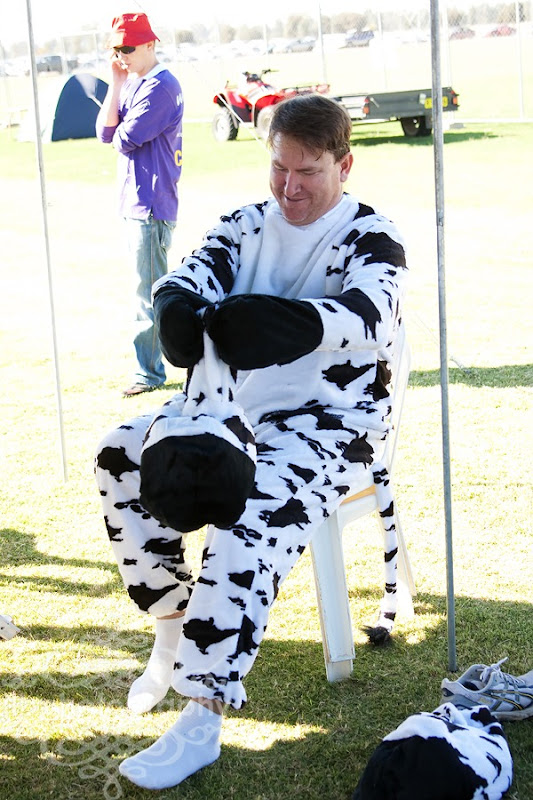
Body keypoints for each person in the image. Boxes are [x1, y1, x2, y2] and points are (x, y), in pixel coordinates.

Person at [95, 93, 408, 790]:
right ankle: (173, 625)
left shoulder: (372, 235)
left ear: (344, 166)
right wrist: (175, 304)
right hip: (232, 409)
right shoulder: (245, 224)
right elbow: (192, 273)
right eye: (278, 169)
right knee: (120, 454)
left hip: (331, 424)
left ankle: (201, 716)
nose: (290, 187)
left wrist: (294, 323)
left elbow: (373, 315)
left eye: (308, 171)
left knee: (250, 508)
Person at [96, 12, 184, 396]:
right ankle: (152, 368)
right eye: (116, 49)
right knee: (145, 290)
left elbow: (124, 138)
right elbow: (104, 132)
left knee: (147, 294)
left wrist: (118, 123)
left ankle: (149, 374)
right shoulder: (134, 82)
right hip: (136, 202)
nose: (122, 56)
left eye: (128, 48)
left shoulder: (161, 87)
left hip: (150, 203)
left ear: (150, 44)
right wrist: (116, 84)